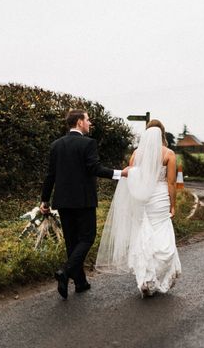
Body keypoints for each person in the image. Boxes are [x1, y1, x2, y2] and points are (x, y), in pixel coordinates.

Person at [40, 109, 129, 299]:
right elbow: (95, 168)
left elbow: (50, 175)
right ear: (79, 122)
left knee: (72, 241)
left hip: (63, 201)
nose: (90, 123)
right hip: (83, 200)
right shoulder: (88, 143)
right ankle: (65, 271)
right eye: (88, 120)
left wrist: (44, 200)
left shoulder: (56, 145)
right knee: (87, 238)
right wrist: (120, 173)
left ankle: (80, 283)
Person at [96, 119, 181, 297]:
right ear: (162, 134)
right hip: (160, 198)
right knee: (161, 234)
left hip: (143, 199)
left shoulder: (136, 154)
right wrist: (173, 205)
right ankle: (156, 274)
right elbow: (171, 183)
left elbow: (132, 176)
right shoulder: (169, 154)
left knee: (143, 234)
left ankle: (145, 279)